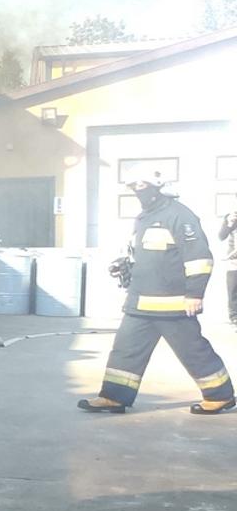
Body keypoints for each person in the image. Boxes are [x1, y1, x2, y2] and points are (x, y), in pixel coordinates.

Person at [79, 176, 233, 415]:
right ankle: (114, 397)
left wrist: (195, 293)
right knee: (125, 350)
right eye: (133, 187)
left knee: (193, 351)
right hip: (140, 302)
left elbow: (199, 258)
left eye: (141, 186)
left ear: (159, 187)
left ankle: (220, 395)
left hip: (172, 305)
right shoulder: (144, 218)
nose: (136, 191)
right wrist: (129, 266)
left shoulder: (180, 216)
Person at [221, 210, 237, 328]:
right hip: (233, 261)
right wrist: (229, 224)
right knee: (233, 290)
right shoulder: (231, 216)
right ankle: (234, 318)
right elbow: (221, 236)